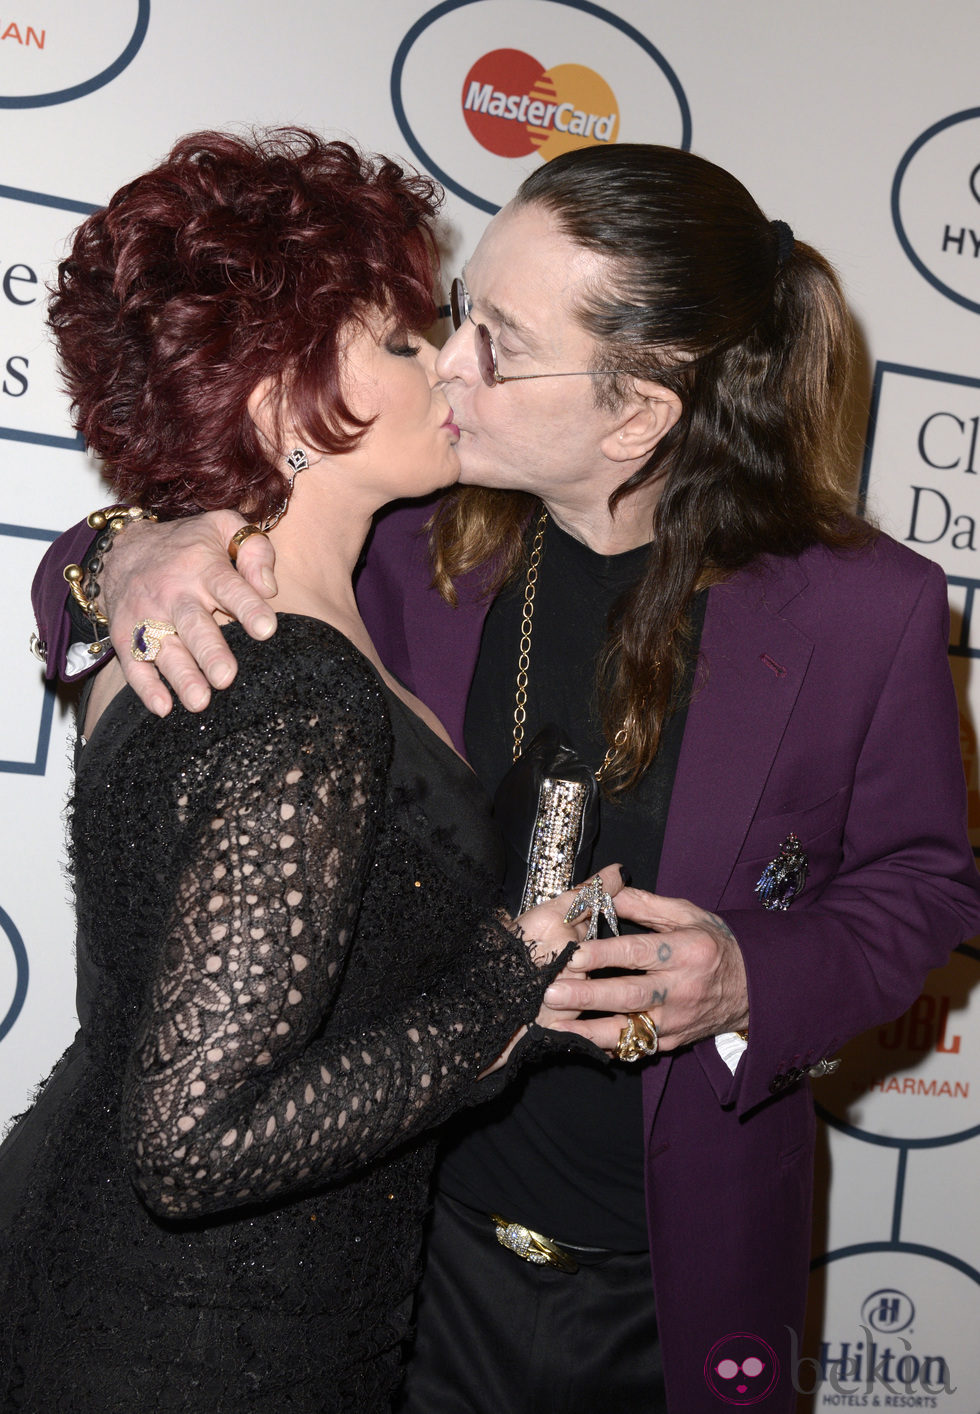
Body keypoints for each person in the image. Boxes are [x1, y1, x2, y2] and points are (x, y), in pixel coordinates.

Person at [32, 144, 980, 1413]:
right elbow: (132, 568)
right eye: (457, 312)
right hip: (403, 1247)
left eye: (498, 339)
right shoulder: (399, 543)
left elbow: (924, 880)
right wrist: (128, 550)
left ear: (636, 411)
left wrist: (756, 972)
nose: (449, 361)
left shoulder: (868, 610)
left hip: (669, 1264)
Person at [1, 128, 648, 1414]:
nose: (452, 367)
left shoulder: (187, 626)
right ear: (282, 395)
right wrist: (508, 986)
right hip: (206, 1340)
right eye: (409, 341)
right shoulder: (289, 683)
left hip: (151, 1287)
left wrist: (129, 538)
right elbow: (194, 1143)